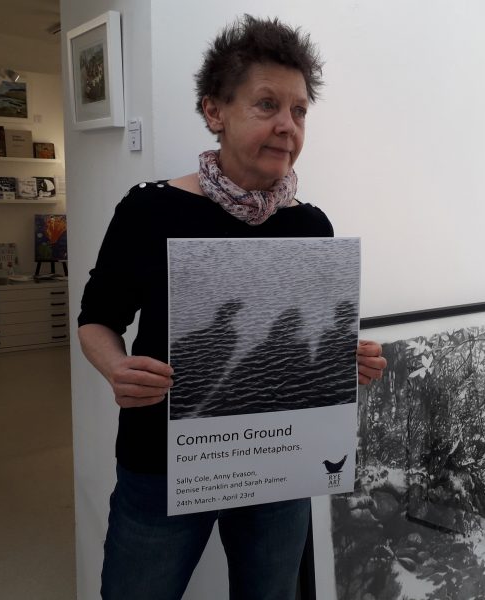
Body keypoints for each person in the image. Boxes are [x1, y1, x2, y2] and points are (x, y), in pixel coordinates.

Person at [78, 15, 387, 600]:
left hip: (280, 465)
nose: (287, 126)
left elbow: (306, 343)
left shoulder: (310, 226)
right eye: (267, 104)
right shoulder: (149, 210)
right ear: (215, 110)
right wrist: (117, 368)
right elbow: (96, 319)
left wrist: (344, 360)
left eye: (299, 111)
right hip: (161, 464)